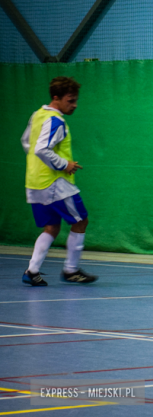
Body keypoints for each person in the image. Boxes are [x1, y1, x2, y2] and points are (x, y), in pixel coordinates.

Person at [21, 76, 97, 286]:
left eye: (75, 100)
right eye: (70, 100)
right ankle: (71, 270)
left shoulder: (38, 115)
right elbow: (41, 149)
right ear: (57, 98)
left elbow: (26, 142)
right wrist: (64, 164)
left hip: (34, 182)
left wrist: (40, 164)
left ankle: (32, 271)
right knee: (81, 221)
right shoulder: (56, 121)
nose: (74, 105)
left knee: (51, 227)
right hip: (55, 184)